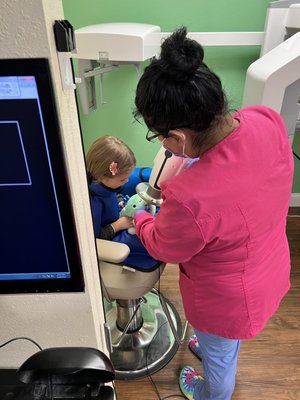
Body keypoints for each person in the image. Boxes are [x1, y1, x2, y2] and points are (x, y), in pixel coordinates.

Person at [133, 27, 294, 399]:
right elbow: (239, 187)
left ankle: (211, 394)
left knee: (221, 359)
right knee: (222, 344)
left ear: (178, 138)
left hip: (229, 301)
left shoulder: (190, 198)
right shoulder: (263, 120)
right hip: (268, 266)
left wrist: (143, 218)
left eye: (159, 137)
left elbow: (164, 247)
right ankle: (213, 347)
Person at [86, 135, 160, 269]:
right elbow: (95, 240)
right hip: (110, 238)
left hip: (118, 219)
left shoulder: (106, 184)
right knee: (150, 239)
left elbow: (116, 193)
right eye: (122, 179)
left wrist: (120, 203)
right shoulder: (92, 203)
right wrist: (118, 225)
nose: (126, 181)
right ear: (101, 176)